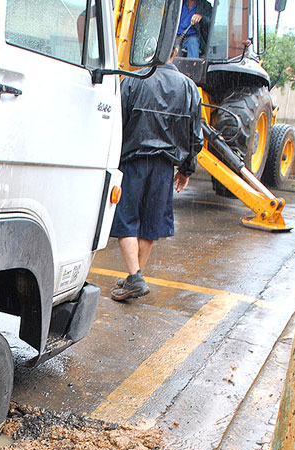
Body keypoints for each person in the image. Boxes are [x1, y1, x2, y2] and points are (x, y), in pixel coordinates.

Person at [110, 41, 203, 302]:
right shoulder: (188, 87)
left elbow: (118, 123)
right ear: (175, 52)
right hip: (164, 166)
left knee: (126, 219)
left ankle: (134, 276)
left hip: (132, 160)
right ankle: (135, 276)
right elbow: (195, 136)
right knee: (150, 223)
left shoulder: (132, 80)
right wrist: (186, 168)